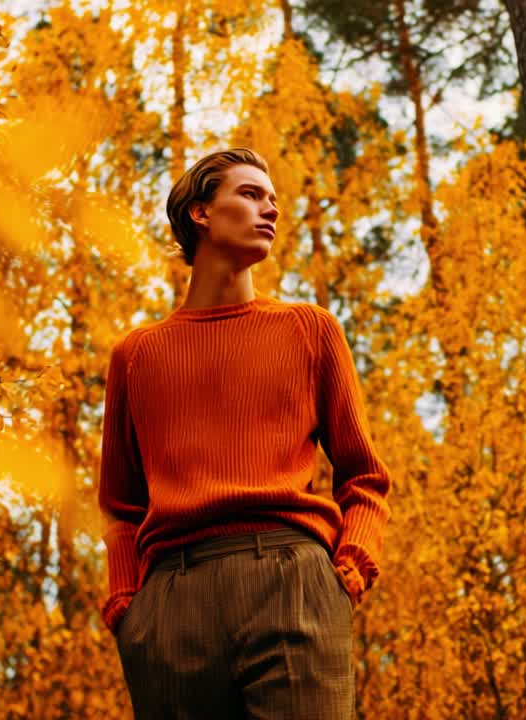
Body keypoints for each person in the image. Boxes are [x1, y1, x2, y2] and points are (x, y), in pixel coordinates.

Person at [98, 147, 392, 719]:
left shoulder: (309, 330)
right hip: (170, 602)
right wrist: (126, 606)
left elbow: (364, 474)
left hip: (293, 580)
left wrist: (350, 566)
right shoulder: (137, 355)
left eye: (274, 200)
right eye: (251, 194)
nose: (270, 211)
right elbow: (121, 505)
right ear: (200, 213)